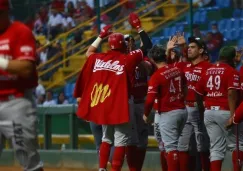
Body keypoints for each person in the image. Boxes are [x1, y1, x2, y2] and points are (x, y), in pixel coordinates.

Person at [73, 12, 152, 171]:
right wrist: (138, 27)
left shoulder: (100, 58)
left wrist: (100, 36)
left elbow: (88, 53)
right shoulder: (127, 58)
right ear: (123, 45)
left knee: (106, 139)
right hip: (121, 103)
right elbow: (147, 45)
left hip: (103, 103)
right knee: (122, 140)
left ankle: (102, 168)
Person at [0, 0, 43, 170]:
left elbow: (27, 68)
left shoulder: (19, 31)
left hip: (16, 101)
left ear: (6, 13)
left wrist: (1, 63)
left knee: (28, 160)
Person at [195, 46, 243, 171]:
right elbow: (232, 93)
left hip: (209, 112)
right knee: (237, 146)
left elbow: (198, 93)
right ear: (232, 58)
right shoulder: (231, 71)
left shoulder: (208, 70)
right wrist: (233, 115)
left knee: (216, 148)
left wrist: (202, 111)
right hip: (226, 111)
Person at [143, 45, 187, 171]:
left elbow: (150, 99)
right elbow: (185, 87)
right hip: (182, 110)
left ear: (152, 60)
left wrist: (145, 114)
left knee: (170, 147)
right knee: (173, 145)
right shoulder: (177, 69)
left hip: (168, 113)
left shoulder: (156, 76)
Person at [178, 37, 211, 171]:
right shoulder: (185, 66)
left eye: (193, 47)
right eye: (189, 47)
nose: (189, 49)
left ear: (201, 50)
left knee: (202, 146)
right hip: (185, 109)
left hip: (200, 109)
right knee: (182, 146)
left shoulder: (208, 67)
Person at [124, 34, 153, 170]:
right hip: (128, 103)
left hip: (141, 103)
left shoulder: (143, 58)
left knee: (143, 141)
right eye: (127, 42)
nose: (130, 44)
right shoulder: (121, 59)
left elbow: (148, 69)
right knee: (131, 140)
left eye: (132, 41)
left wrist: (136, 58)